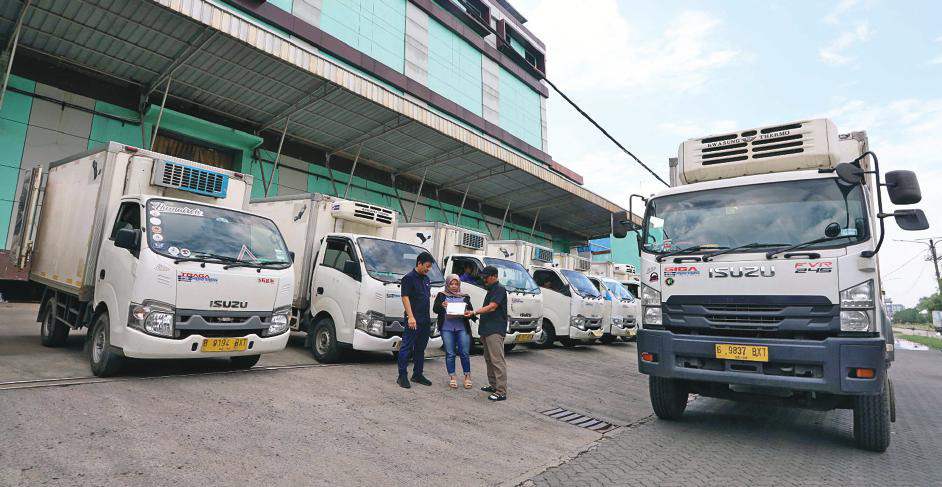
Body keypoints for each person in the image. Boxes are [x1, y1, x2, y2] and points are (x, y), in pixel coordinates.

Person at [466, 265, 508, 401]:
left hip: (495, 331)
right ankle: (493, 385)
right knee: (489, 359)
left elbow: (492, 307)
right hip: (486, 330)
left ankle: (501, 391)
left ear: (494, 276)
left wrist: (475, 311)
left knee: (497, 360)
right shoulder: (491, 289)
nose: (484, 280)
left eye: (486, 277)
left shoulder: (500, 289)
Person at [397, 251, 435, 389]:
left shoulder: (426, 279)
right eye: (427, 266)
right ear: (419, 263)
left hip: (425, 320)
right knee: (407, 347)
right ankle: (402, 376)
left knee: (420, 348)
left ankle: (417, 374)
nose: (428, 269)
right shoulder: (409, 278)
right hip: (413, 320)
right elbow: (405, 297)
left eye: (430, 267)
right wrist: (410, 317)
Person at [432, 274, 475, 389]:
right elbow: (435, 309)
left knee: (464, 353)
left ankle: (467, 377)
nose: (454, 286)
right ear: (447, 284)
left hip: (462, 328)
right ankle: (453, 377)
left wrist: (467, 311)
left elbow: (470, 311)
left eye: (456, 284)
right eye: (452, 284)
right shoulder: (442, 295)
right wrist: (442, 305)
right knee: (450, 353)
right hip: (447, 328)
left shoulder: (465, 296)